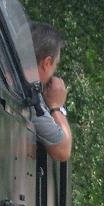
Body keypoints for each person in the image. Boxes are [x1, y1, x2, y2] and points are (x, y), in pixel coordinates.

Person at [31, 22, 72, 162]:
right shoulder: (28, 97)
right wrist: (56, 106)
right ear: (47, 63)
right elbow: (63, 150)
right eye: (56, 64)